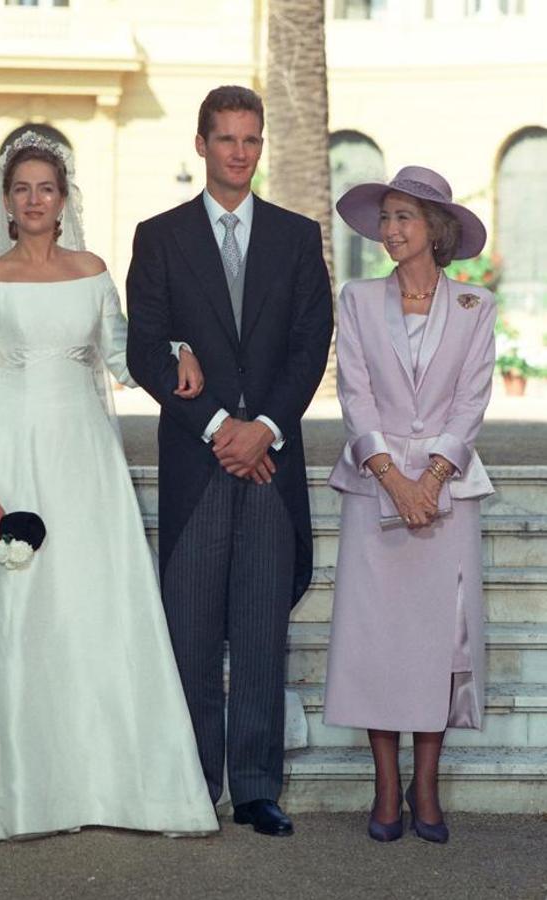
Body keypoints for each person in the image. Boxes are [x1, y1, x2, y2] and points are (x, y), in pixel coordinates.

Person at [0, 131, 219, 841]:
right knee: (24, 607)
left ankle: (110, 778)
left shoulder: (92, 271)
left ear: (63, 198)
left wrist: (174, 349)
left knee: (92, 604)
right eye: (21, 189)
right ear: (7, 201)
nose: (33, 200)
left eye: (45, 188)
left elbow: (119, 356)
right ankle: (20, 782)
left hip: (85, 459)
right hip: (14, 453)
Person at [126, 86, 333, 837]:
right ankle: (191, 781)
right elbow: (144, 347)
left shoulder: (295, 235)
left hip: (271, 465)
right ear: (201, 143)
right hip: (199, 460)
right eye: (226, 139)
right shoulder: (160, 237)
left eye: (251, 139)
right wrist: (220, 426)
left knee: (258, 630)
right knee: (188, 629)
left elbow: (312, 345)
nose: (239, 152)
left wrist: (266, 427)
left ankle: (254, 787)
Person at [325, 166, 495, 843]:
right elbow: (354, 394)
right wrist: (395, 478)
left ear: (436, 229)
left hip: (447, 497)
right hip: (375, 490)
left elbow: (473, 398)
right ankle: (386, 789)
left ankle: (426, 789)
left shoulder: (475, 306)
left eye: (403, 218)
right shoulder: (358, 300)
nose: (389, 230)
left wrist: (433, 479)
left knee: (435, 645)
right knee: (377, 643)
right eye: (385, 218)